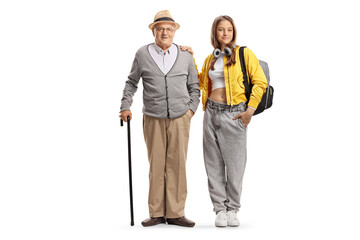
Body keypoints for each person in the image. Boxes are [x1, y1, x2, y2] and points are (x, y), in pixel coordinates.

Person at [182, 15, 267, 227]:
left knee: (236, 166)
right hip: (210, 113)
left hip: (235, 114)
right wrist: (192, 57)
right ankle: (219, 209)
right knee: (213, 165)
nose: (225, 33)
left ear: (234, 32)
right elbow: (201, 81)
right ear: (215, 33)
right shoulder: (211, 58)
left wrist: (249, 111)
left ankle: (233, 209)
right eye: (221, 30)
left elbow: (260, 82)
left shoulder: (244, 54)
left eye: (229, 29)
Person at [119, 10, 200, 227]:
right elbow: (131, 82)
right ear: (154, 31)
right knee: (156, 164)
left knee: (177, 164)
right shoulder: (142, 54)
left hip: (180, 117)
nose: (165, 32)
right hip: (153, 117)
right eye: (160, 29)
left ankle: (175, 213)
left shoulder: (185, 55)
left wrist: (190, 110)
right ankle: (156, 212)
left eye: (169, 29)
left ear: (174, 32)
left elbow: (195, 86)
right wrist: (125, 106)